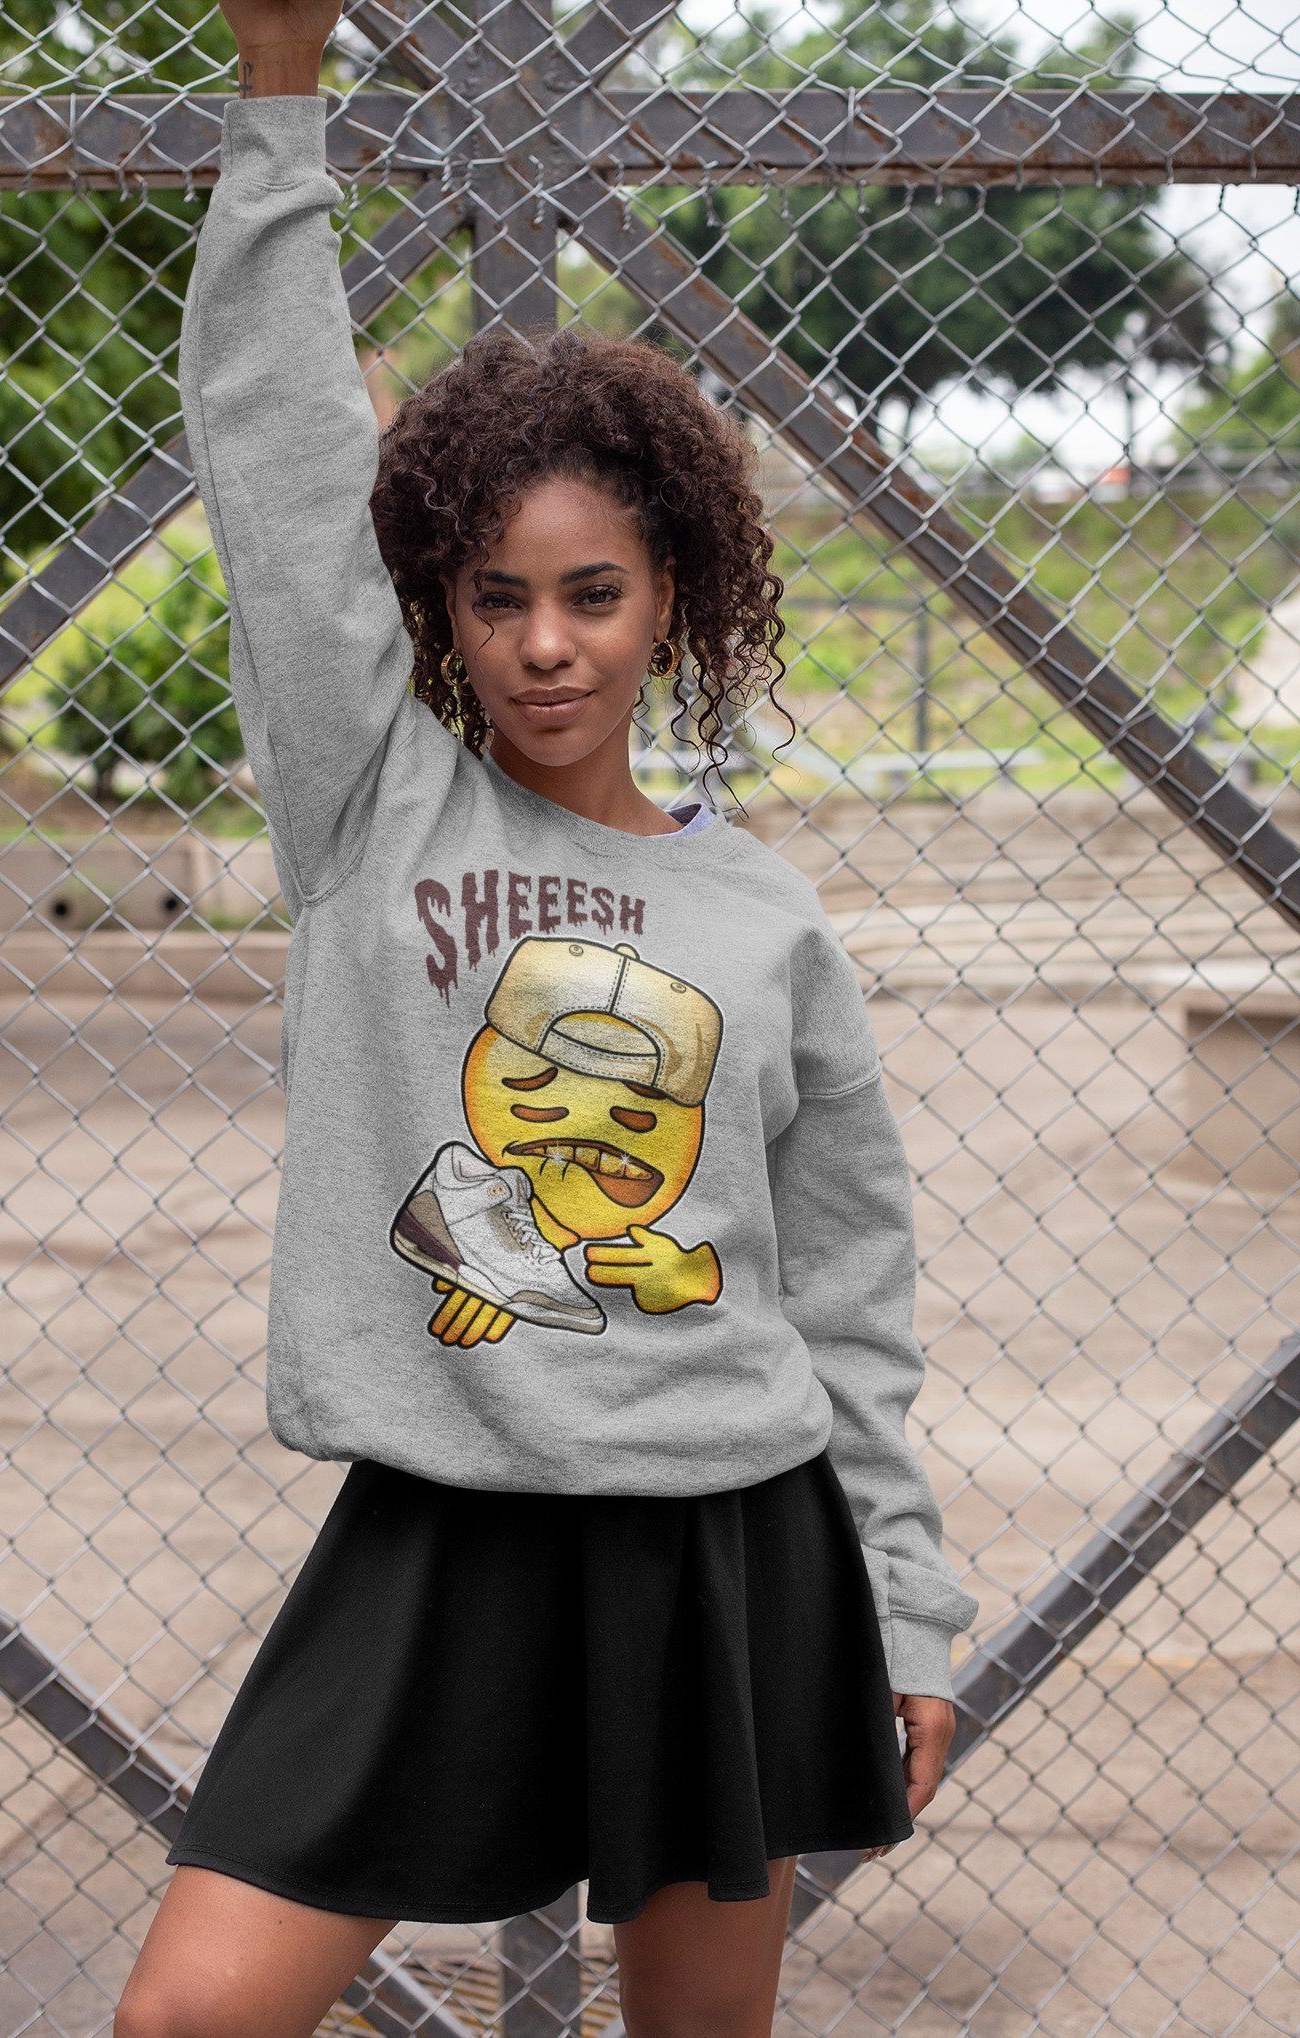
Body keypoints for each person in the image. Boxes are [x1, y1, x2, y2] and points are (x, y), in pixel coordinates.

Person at [115, 5, 980, 2032]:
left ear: (672, 595)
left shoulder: (764, 917)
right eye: (496, 597)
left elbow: (847, 1293)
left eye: (592, 591)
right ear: (440, 606)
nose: (543, 643)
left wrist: (907, 1601)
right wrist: (278, 96)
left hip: (732, 1537)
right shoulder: (375, 809)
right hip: (446, 1531)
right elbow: (282, 454)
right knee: (190, 2010)